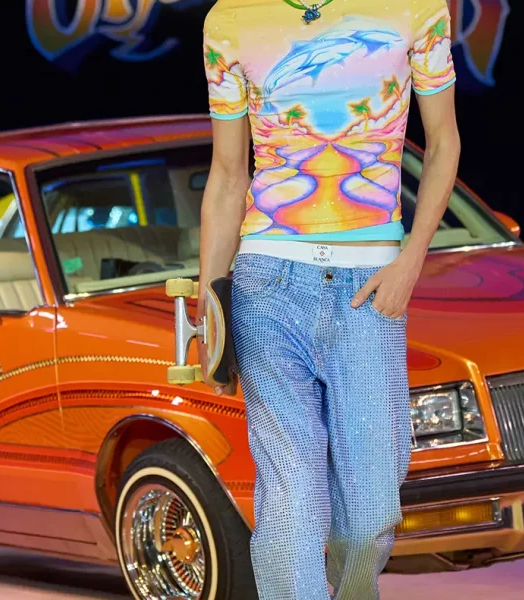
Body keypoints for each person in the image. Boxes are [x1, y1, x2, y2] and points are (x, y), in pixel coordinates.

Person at [197, 0, 460, 596]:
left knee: (370, 516)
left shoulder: (416, 7)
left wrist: (410, 261)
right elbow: (228, 174)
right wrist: (211, 307)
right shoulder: (230, 19)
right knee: (291, 500)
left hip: (370, 288)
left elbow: (444, 142)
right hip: (267, 285)